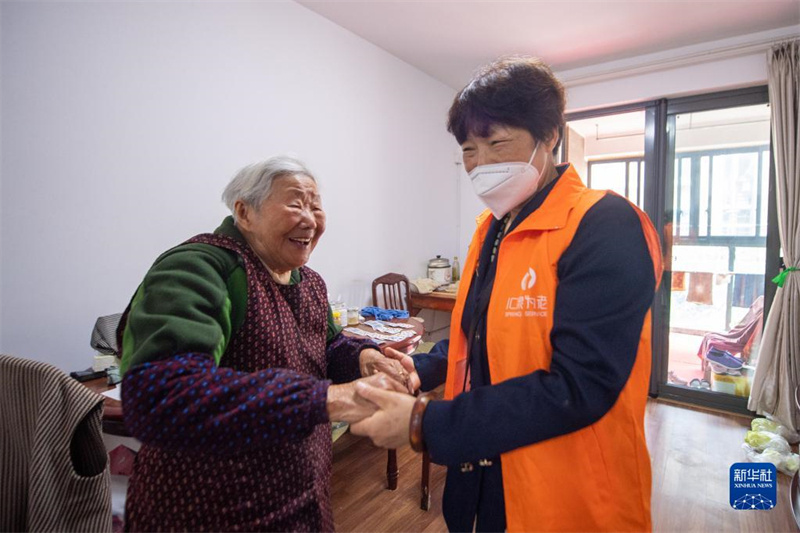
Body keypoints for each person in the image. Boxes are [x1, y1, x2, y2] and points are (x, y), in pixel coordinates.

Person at [351, 56, 663, 532]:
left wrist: (423, 423)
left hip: (567, 496)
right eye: (469, 152)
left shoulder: (604, 225)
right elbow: (481, 340)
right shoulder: (491, 229)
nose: (481, 165)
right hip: (482, 479)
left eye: (496, 143)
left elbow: (579, 386)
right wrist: (419, 367)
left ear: (550, 136)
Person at [117, 155, 410, 531]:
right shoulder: (200, 268)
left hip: (300, 493)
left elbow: (327, 347)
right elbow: (159, 397)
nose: (310, 219)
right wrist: (331, 399)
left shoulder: (309, 281)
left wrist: (365, 358)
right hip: (208, 510)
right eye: (295, 203)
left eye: (316, 205)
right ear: (245, 212)